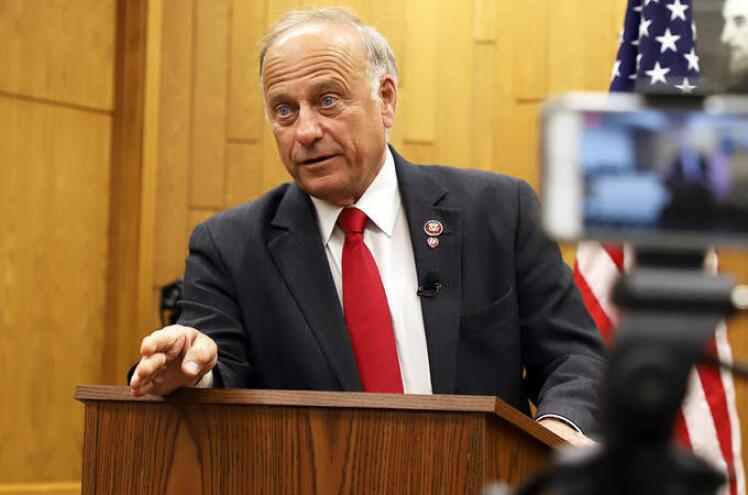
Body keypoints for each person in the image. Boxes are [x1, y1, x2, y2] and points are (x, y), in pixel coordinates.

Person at [128, 8, 605, 445]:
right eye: (284, 110)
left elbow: (574, 358)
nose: (306, 131)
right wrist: (191, 369)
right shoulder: (228, 248)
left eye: (327, 100)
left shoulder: (500, 211)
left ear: (386, 100)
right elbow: (216, 370)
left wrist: (556, 435)